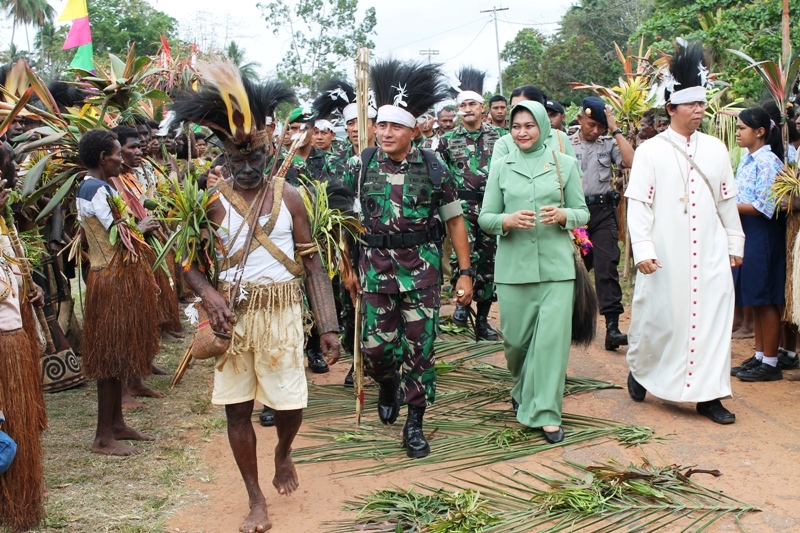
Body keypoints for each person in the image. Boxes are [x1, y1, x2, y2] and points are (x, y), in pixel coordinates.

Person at [171, 62, 341, 533]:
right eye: (236, 161)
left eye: (254, 160)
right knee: (238, 409)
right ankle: (254, 497)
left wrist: (327, 325)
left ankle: (284, 453)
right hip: (233, 317)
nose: (246, 169)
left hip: (284, 312)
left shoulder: (292, 198)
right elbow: (185, 261)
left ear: (268, 151)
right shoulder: (210, 201)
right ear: (224, 157)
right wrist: (209, 295)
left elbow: (312, 263)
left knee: (290, 405)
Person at [342, 59, 473, 459]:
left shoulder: (435, 168)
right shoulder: (359, 167)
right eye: (380, 125)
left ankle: (415, 422)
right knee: (376, 350)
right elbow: (343, 222)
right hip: (375, 274)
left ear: (414, 129)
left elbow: (454, 222)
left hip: (422, 275)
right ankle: (386, 384)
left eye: (395, 126)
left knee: (421, 349)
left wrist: (464, 273)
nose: (385, 133)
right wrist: (347, 270)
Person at [625, 42, 744, 424]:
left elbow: (726, 202)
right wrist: (642, 248)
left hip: (709, 252)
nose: (699, 110)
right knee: (662, 319)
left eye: (702, 103)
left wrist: (734, 242)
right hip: (666, 253)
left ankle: (710, 396)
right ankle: (643, 370)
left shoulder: (716, 149)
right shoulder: (650, 151)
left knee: (713, 319)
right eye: (691, 104)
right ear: (671, 108)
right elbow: (638, 204)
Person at [478, 100, 589, 443]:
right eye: (516, 126)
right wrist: (507, 221)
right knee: (517, 343)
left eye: (529, 125)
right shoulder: (501, 166)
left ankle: (546, 413)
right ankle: (522, 387)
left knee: (552, 345)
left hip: (557, 268)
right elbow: (485, 218)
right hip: (513, 269)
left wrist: (563, 216)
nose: (522, 132)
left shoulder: (564, 164)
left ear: (542, 126)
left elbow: (582, 212)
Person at [76, 129, 161, 454]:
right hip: (111, 279)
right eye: (116, 153)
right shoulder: (96, 189)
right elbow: (119, 237)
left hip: (110, 276)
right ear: (103, 157)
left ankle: (117, 424)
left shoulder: (93, 186)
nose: (121, 158)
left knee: (115, 353)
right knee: (109, 358)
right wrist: (143, 228)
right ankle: (102, 437)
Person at [437, 67, 503, 340]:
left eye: (472, 104)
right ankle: (462, 307)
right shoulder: (447, 140)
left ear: (482, 107)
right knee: (462, 258)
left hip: (490, 208)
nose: (467, 109)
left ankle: (484, 318)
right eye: (462, 105)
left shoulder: (500, 138)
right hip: (461, 208)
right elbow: (440, 177)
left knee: (489, 263)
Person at [0, 173, 47, 531]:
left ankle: (20, 498)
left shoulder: (4, 231)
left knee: (18, 426)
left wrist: (28, 293)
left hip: (13, 340)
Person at [571, 97, 634, 351]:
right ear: (580, 120)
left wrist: (615, 129)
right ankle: (570, 322)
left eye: (601, 127)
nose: (595, 131)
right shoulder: (564, 142)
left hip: (603, 212)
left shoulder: (608, 143)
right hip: (576, 215)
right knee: (573, 269)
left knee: (607, 266)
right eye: (591, 125)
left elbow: (630, 161)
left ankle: (612, 328)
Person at [730, 107, 786, 382]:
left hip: (762, 231)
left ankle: (772, 362)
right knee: (755, 296)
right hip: (748, 230)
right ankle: (761, 355)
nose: (738, 133)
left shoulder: (767, 162)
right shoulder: (748, 159)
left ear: (760, 132)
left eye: (742, 128)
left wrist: (726, 206)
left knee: (765, 299)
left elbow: (765, 206)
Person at [492, 86, 576, 159]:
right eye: (513, 107)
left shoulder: (560, 138)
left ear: (540, 109)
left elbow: (574, 174)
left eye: (523, 107)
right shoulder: (503, 144)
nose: (518, 112)